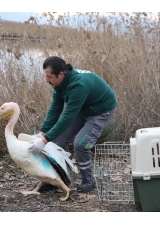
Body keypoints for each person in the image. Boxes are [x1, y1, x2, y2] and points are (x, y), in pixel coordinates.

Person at [28, 56, 117, 193]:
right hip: (83, 108)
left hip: (101, 111)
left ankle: (89, 181)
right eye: (46, 76)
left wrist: (45, 140)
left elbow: (68, 116)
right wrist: (42, 133)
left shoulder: (78, 85)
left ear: (61, 74)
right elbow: (55, 109)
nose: (46, 80)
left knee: (81, 143)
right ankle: (54, 180)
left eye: (49, 77)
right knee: (58, 141)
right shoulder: (58, 84)